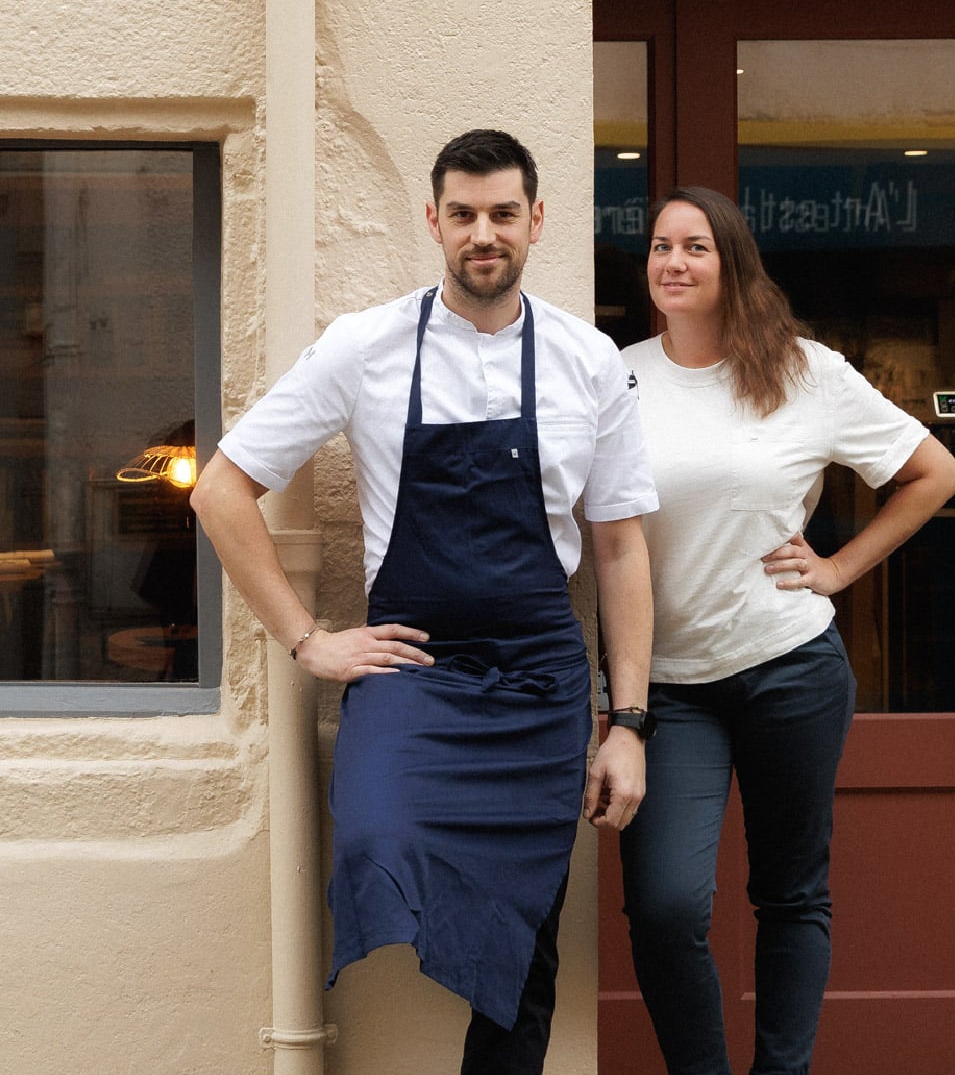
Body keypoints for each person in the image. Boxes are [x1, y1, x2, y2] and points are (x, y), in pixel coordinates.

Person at [190, 129, 658, 1075]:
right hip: (417, 668)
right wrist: (307, 640)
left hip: (539, 681)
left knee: (526, 935)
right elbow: (219, 487)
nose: (482, 233)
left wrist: (630, 722)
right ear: (434, 222)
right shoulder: (364, 345)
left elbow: (617, 546)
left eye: (501, 214)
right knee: (377, 833)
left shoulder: (588, 357)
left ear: (536, 220)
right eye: (462, 215)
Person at [618, 186, 955, 1075]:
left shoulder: (807, 372)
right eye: (661, 246)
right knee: (664, 906)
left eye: (696, 246)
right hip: (668, 685)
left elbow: (934, 472)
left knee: (790, 893)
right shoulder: (615, 377)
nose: (674, 263)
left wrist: (839, 570)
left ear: (732, 261)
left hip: (788, 667)